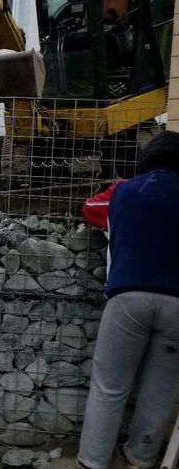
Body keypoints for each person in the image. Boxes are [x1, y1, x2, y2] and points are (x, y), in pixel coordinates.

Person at [77, 130, 179, 469]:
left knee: (109, 386)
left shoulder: (124, 192)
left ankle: (93, 461)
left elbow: (90, 209)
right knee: (161, 390)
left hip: (128, 298)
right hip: (178, 306)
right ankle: (140, 457)